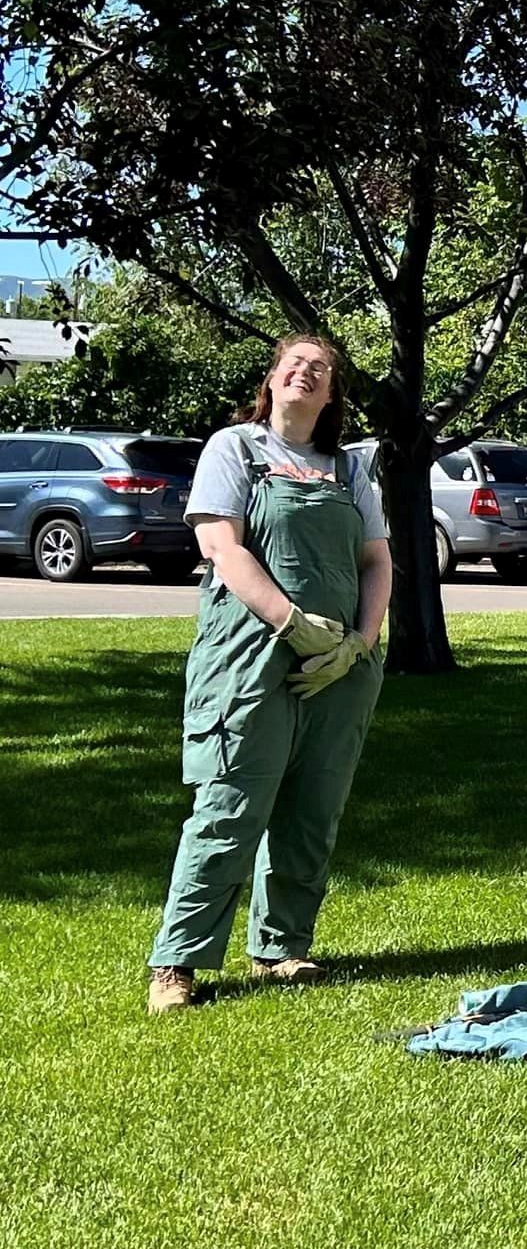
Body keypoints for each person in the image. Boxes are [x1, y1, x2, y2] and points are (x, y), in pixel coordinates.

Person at [147, 335, 392, 1014]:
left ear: (331, 392)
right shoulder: (237, 448)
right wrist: (291, 622)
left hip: (340, 668)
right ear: (273, 377)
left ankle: (281, 948)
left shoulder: (348, 469)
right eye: (295, 362)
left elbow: (378, 561)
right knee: (228, 808)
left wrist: (360, 642)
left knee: (313, 812)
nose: (306, 372)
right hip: (251, 657)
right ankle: (178, 964)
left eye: (321, 368)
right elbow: (220, 545)